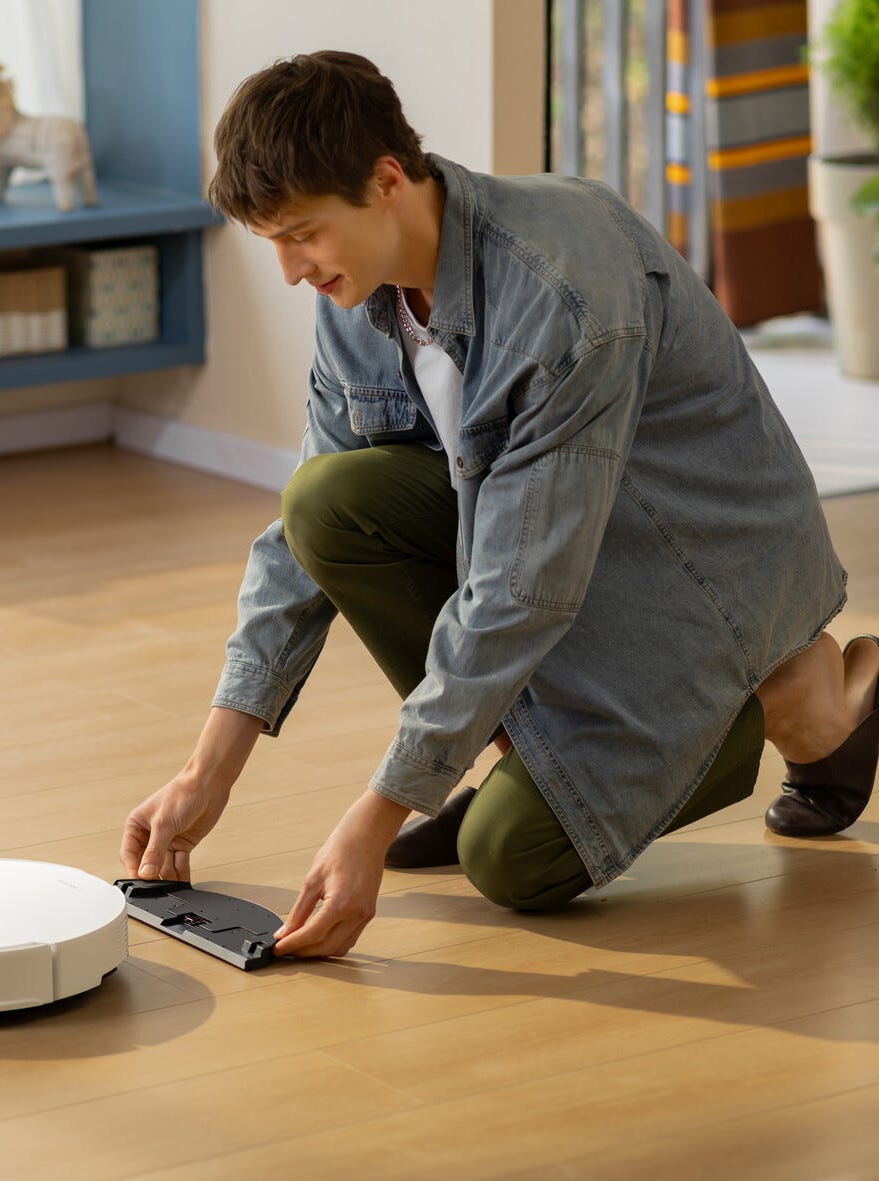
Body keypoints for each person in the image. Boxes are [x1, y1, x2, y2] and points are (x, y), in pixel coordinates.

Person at [119, 51, 879, 960]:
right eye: (271, 242)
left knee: (513, 861)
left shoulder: (563, 294)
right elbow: (297, 542)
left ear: (387, 182)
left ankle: (789, 698)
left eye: (302, 235)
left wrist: (379, 810)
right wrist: (206, 772)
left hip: (691, 582)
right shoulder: (354, 292)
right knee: (328, 502)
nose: (288, 271)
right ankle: (538, 759)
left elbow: (525, 587)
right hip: (557, 554)